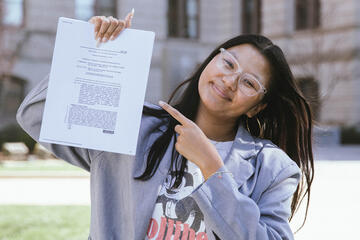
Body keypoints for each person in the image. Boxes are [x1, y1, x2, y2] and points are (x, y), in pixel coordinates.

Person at [16, 10, 314, 240]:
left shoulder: (273, 168)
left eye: (248, 82)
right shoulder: (134, 128)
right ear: (210, 62)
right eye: (228, 63)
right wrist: (93, 51)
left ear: (258, 107)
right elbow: (35, 115)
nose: (230, 80)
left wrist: (212, 168)